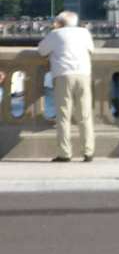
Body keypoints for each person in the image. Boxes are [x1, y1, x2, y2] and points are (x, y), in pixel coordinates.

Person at [36, 10, 94, 163]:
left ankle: (65, 153)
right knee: (85, 115)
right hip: (83, 74)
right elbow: (91, 50)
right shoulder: (84, 33)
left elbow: (41, 50)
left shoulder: (56, 34)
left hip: (63, 75)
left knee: (63, 116)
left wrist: (54, 30)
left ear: (60, 23)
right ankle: (88, 151)